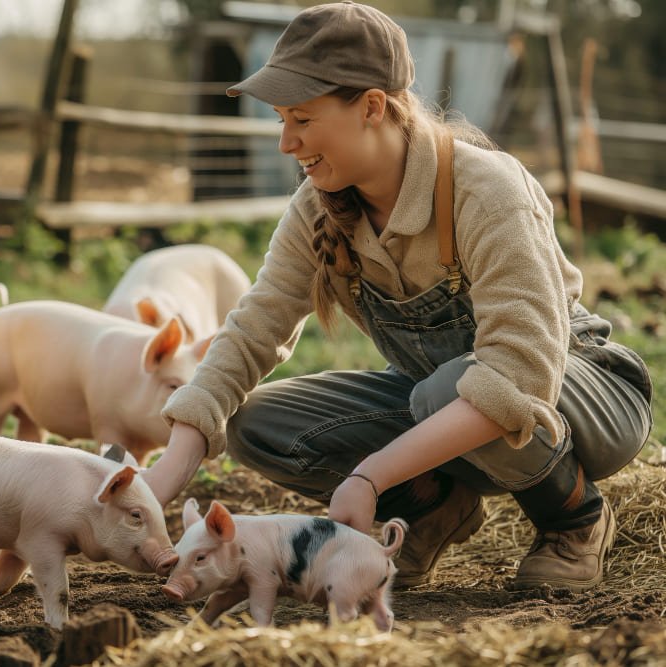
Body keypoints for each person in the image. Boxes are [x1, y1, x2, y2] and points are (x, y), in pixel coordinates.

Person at [143, 1, 653, 592]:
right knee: (256, 423)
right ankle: (436, 505)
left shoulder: (486, 189)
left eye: (302, 120)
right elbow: (254, 328)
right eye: (282, 120)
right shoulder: (318, 206)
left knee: (448, 388)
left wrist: (370, 476)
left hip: (584, 395)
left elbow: (519, 371)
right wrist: (164, 476)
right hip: (441, 403)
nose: (287, 142)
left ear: (372, 107)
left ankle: (574, 519)